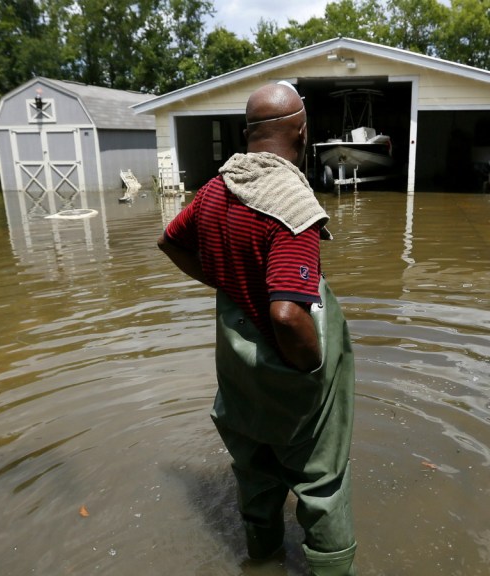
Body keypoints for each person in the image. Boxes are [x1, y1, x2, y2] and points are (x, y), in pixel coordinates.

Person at [157, 82, 357, 575]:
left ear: (248, 133)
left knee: (255, 470)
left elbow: (171, 242)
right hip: (289, 363)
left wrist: (225, 280)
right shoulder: (292, 205)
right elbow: (288, 314)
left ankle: (262, 557)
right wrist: (312, 368)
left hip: (239, 370)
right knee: (321, 483)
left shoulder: (214, 190)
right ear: (301, 130)